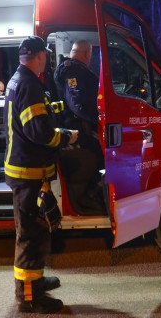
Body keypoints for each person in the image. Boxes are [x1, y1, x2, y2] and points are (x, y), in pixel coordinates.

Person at [3, 36, 78, 314]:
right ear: (38, 57)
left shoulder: (19, 79)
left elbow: (36, 115)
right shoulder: (29, 84)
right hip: (28, 172)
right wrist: (68, 136)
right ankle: (28, 296)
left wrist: (61, 107)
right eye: (45, 55)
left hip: (26, 169)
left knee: (35, 231)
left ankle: (34, 280)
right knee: (30, 235)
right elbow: (41, 132)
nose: (47, 59)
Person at [54, 40, 106, 215]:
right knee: (102, 153)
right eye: (90, 54)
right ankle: (89, 195)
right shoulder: (73, 70)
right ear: (86, 53)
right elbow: (77, 104)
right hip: (77, 127)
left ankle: (93, 194)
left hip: (78, 125)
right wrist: (98, 120)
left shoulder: (73, 69)